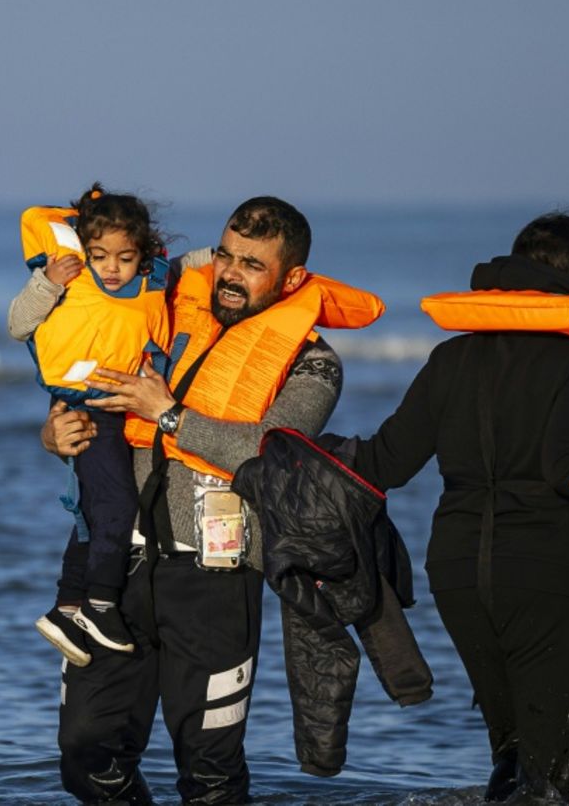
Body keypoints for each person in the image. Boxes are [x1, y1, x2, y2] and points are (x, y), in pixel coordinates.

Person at [39, 196, 384, 804]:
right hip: (118, 574)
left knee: (210, 775)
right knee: (85, 754)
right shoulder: (168, 312)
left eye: (251, 264)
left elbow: (272, 450)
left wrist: (169, 415)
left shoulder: (315, 363)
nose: (228, 271)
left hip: (215, 586)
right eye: (224, 255)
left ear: (292, 278)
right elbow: (84, 371)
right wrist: (55, 430)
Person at [350, 212, 569, 802]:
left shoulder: (452, 358)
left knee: (513, 753)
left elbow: (384, 463)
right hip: (551, 572)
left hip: (459, 574)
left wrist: (279, 450)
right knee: (561, 768)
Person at [7, 184, 172, 664]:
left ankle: (67, 609)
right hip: (88, 410)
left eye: (124, 257)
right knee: (114, 507)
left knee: (93, 515)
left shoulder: (153, 283)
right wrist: (48, 283)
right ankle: (99, 606)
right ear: (84, 249)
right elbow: (18, 325)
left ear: (141, 254)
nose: (112, 269)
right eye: (100, 256)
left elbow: (195, 264)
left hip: (119, 411)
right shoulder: (63, 278)